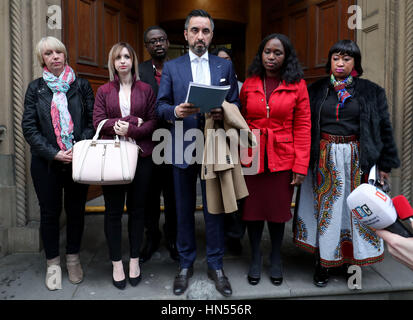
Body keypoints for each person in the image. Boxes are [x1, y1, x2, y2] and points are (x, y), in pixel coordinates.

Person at [293, 40, 400, 287]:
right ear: (330, 61)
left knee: (355, 212)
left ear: (355, 63)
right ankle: (324, 263)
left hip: (357, 160)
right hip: (324, 160)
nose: (340, 63)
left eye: (346, 59)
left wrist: (385, 164)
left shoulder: (372, 91)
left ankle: (353, 261)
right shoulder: (316, 90)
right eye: (335, 58)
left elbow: (385, 128)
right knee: (327, 214)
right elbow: (304, 126)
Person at [156, 9, 240, 297]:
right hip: (183, 144)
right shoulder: (172, 67)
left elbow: (235, 102)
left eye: (205, 31)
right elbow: (160, 106)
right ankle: (185, 263)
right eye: (195, 30)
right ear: (186, 34)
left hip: (214, 145)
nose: (200, 36)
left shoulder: (223, 66)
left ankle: (216, 265)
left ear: (212, 35)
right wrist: (175, 111)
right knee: (182, 208)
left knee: (214, 207)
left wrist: (223, 110)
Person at [22, 36, 94, 290]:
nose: (54, 56)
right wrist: (53, 152)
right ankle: (53, 263)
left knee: (76, 212)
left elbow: (91, 123)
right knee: (49, 214)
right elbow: (29, 128)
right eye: (48, 53)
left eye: (58, 52)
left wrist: (78, 147)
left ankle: (73, 258)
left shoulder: (82, 86)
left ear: (65, 55)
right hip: (47, 164)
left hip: (78, 160)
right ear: (42, 59)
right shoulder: (36, 88)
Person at [240, 34, 311, 286]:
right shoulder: (249, 83)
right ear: (261, 54)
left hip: (283, 158)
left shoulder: (297, 85)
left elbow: (303, 126)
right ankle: (256, 257)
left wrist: (300, 166)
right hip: (252, 157)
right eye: (267, 52)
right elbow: (241, 119)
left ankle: (276, 257)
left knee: (279, 213)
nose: (271, 57)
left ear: (286, 56)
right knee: (253, 212)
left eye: (277, 53)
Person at [93, 42, 157, 290]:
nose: (122, 61)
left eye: (126, 56)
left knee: (138, 211)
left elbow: (152, 121)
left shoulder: (146, 89)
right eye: (118, 57)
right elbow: (98, 121)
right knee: (113, 212)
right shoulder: (104, 91)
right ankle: (116, 262)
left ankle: (134, 260)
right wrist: (128, 121)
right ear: (113, 62)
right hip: (113, 156)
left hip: (141, 156)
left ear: (132, 61)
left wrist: (132, 129)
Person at [138, 26, 178, 263]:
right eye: (152, 41)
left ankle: (173, 237)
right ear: (147, 46)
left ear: (168, 41)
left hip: (175, 141)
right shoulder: (139, 70)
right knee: (148, 195)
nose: (158, 44)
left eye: (161, 39)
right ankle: (151, 236)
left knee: (173, 196)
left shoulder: (178, 68)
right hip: (147, 142)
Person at [210, 46, 245, 256]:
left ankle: (234, 236)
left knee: (232, 191)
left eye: (227, 59)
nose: (224, 63)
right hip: (207, 140)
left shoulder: (239, 86)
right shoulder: (208, 81)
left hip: (233, 141)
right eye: (219, 59)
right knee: (215, 193)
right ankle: (218, 235)